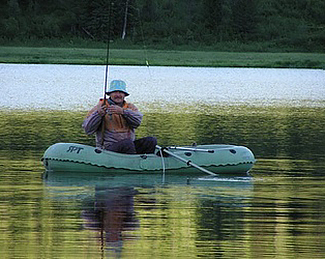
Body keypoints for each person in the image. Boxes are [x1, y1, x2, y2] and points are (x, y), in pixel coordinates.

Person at [82, 79, 157, 154]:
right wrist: (98, 115)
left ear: (124, 95)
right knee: (127, 143)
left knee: (151, 140)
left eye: (121, 92)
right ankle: (132, 162)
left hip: (129, 146)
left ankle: (145, 162)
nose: (118, 95)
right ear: (109, 94)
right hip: (108, 148)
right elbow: (88, 130)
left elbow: (137, 123)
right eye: (115, 92)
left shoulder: (130, 107)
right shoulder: (99, 107)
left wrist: (123, 112)